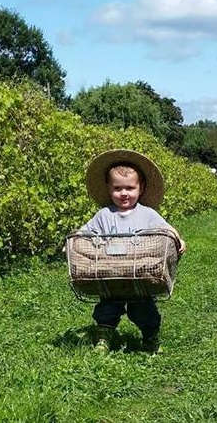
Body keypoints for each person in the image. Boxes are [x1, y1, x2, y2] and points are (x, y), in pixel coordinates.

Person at [78, 148, 186, 354]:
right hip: (111, 273)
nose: (124, 193)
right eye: (118, 188)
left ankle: (150, 337)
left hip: (141, 274)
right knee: (108, 307)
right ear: (109, 188)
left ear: (141, 188)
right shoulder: (104, 215)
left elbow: (166, 228)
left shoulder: (147, 214)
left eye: (130, 188)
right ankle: (103, 336)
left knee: (144, 310)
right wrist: (75, 243)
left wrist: (177, 237)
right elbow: (85, 232)